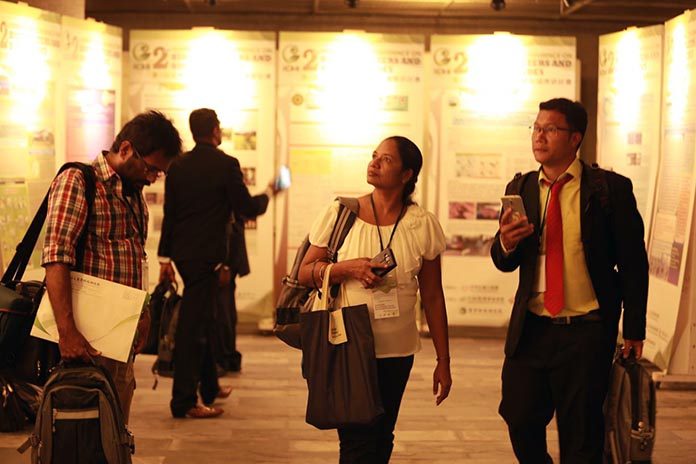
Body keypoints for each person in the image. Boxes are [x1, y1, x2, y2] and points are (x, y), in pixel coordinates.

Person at [490, 98, 649, 463]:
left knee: (581, 436)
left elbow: (633, 264)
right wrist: (506, 243)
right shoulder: (522, 188)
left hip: (586, 331)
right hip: (532, 329)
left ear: (575, 138)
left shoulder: (609, 189)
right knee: (519, 417)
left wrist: (634, 329)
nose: (539, 136)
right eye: (536, 128)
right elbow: (503, 261)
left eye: (550, 129)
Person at [298, 136, 452, 463]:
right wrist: (348, 268)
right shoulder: (341, 214)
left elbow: (433, 296)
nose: (374, 163)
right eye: (374, 156)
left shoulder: (421, 224)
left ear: (407, 174)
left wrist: (444, 360)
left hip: (398, 348)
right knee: (357, 440)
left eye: (386, 159)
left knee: (383, 435)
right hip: (348, 343)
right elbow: (304, 272)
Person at [42, 110, 182, 423]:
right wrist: (67, 332)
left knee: (114, 427)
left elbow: (135, 256)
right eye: (151, 168)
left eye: (159, 174)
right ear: (126, 149)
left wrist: (142, 312)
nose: (152, 178)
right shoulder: (78, 181)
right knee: (82, 430)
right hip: (84, 340)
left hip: (118, 338)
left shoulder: (132, 193)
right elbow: (56, 257)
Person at [158, 108, 278, 419]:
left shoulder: (178, 165)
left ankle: (210, 387)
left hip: (184, 255)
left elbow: (170, 214)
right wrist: (269, 193)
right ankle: (184, 401)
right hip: (208, 257)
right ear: (214, 131)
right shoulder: (226, 164)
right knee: (192, 329)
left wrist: (164, 258)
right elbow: (246, 207)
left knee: (206, 319)